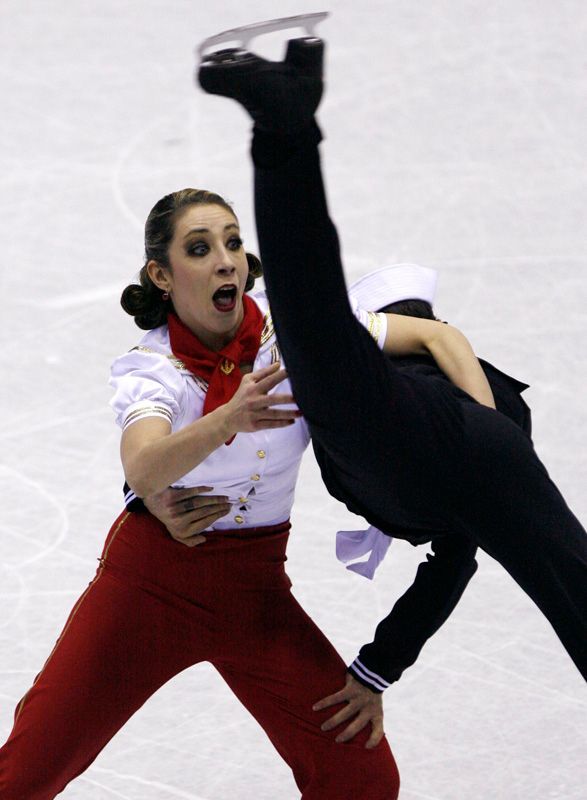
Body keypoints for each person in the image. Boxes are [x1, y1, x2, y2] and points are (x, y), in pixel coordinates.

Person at [0, 182, 499, 798]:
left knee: (360, 777)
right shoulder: (153, 368)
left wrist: (490, 442)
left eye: (232, 242)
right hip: (150, 586)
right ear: (162, 274)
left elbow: (437, 337)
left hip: (254, 592)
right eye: (201, 247)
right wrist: (225, 420)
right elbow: (143, 468)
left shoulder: (297, 331)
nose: (225, 259)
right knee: (26, 772)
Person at [197, 33, 587, 743]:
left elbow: (437, 338)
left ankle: (283, 124)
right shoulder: (431, 498)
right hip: (441, 456)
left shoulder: (368, 351)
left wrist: (483, 428)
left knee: (309, 316)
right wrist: (377, 668)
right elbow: (449, 568)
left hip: (431, 427)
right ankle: (288, 117)